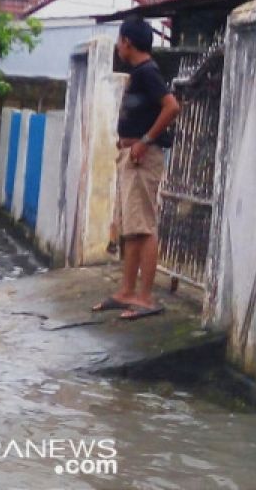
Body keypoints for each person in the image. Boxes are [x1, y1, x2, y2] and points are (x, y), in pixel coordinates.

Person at [92, 16, 180, 321]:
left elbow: (172, 107)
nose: (118, 46)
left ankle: (145, 297)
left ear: (127, 41)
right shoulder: (140, 73)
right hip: (131, 155)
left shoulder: (148, 73)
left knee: (143, 226)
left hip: (143, 157)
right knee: (130, 226)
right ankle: (126, 291)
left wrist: (143, 141)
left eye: (119, 40)